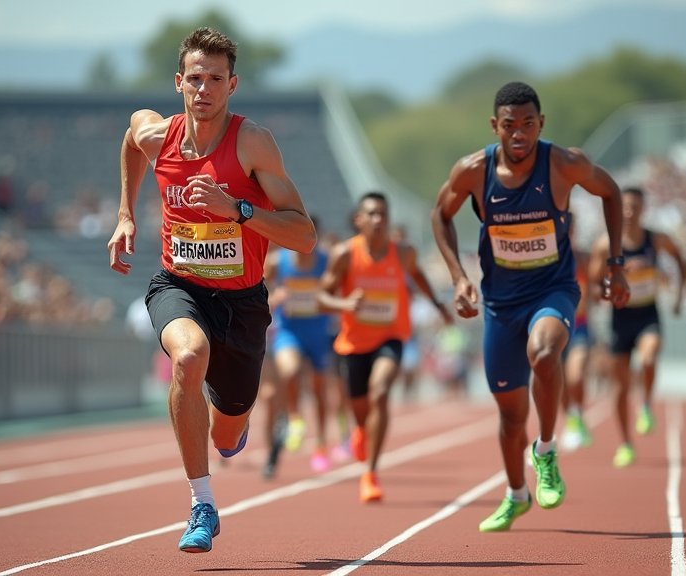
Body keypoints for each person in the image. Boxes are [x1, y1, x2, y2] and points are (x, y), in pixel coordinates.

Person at [106, 26, 317, 554]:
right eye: (195, 79)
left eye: (215, 80)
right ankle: (202, 503)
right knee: (187, 357)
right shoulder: (162, 136)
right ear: (179, 82)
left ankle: (231, 427)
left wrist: (238, 211)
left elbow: (304, 235)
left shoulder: (252, 143)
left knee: (227, 438)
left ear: (232, 85)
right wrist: (125, 213)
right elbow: (133, 134)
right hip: (178, 285)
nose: (204, 89)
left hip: (243, 304)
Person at [430, 81, 629, 533]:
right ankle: (516, 494)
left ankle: (546, 449)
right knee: (510, 415)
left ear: (542, 124)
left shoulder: (563, 163)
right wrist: (459, 278)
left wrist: (616, 264)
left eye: (528, 125)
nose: (519, 134)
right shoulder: (473, 170)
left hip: (553, 289)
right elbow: (440, 215)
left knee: (544, 353)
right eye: (509, 126)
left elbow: (611, 192)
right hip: (501, 302)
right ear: (494, 127)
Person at [319, 191, 451, 503]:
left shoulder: (403, 252)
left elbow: (418, 275)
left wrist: (438, 305)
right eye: (372, 214)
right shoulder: (345, 255)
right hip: (353, 344)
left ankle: (370, 473)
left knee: (380, 392)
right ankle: (361, 430)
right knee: (360, 409)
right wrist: (345, 303)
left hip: (390, 336)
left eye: (383, 214)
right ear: (359, 220)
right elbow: (321, 296)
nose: (379, 220)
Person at [589, 186, 686, 468]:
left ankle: (646, 403)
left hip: (648, 313)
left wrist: (682, 294)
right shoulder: (605, 245)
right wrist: (607, 291)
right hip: (620, 318)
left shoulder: (656, 240)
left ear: (644, 209)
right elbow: (594, 284)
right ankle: (625, 444)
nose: (630, 213)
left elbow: (680, 259)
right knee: (619, 388)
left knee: (649, 356)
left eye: (635, 207)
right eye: (626, 207)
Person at [263, 219, 335, 475]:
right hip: (289, 332)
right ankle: (294, 417)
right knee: (290, 371)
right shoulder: (278, 262)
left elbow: (339, 288)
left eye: (312, 237)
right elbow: (257, 291)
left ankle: (322, 444)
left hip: (318, 334)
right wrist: (275, 298)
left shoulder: (328, 262)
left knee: (319, 391)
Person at [560, 213, 595, 452]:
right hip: (554, 326)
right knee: (560, 383)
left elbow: (595, 281)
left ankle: (579, 414)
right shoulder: (545, 258)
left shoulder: (581, 257)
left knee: (576, 376)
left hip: (579, 325)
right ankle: (571, 419)